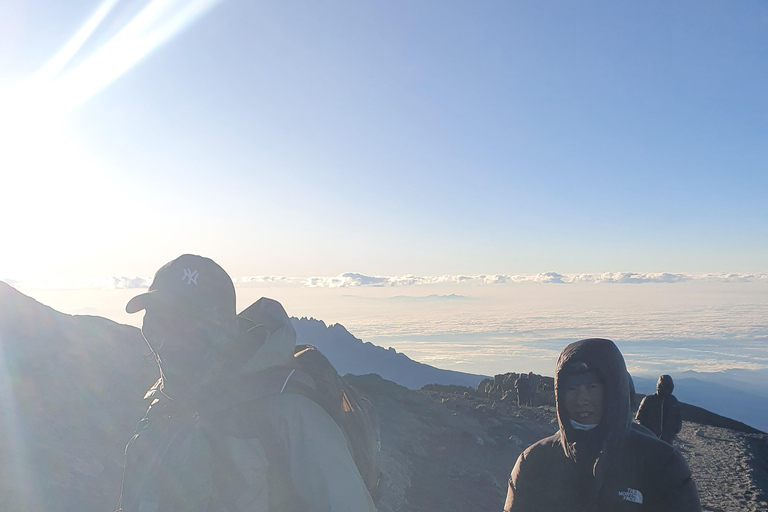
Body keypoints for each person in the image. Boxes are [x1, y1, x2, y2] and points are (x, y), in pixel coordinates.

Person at [116, 254, 376, 512]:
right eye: (157, 316)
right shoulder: (165, 401)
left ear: (224, 326)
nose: (165, 333)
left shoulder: (289, 413)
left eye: (186, 320)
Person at [503, 338, 700, 511]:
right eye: (572, 388)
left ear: (613, 391)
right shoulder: (534, 461)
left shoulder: (662, 464)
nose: (582, 399)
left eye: (592, 387)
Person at [636, 375, 683, 444]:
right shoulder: (649, 400)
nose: (667, 389)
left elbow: (678, 417)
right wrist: (645, 431)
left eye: (668, 387)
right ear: (659, 386)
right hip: (650, 438)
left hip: (667, 439)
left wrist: (675, 430)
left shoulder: (673, 401)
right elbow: (639, 417)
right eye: (665, 386)